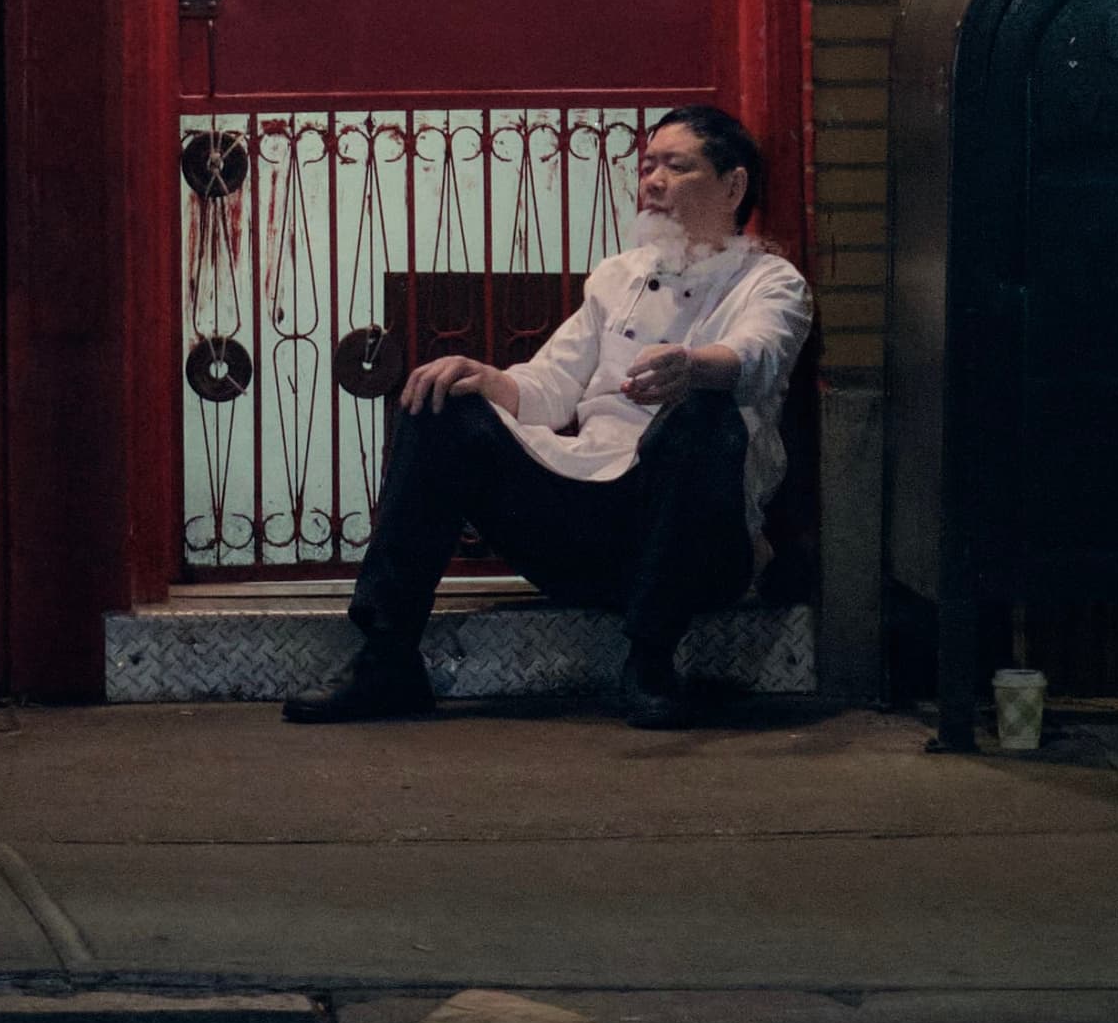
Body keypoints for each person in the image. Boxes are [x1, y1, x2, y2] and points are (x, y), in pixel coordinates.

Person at [283, 106, 813, 732]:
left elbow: (759, 353)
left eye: (677, 165)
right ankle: (388, 657)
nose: (653, 180)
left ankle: (651, 663)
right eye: (647, 166)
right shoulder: (618, 279)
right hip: (586, 532)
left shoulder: (771, 282)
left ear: (733, 186)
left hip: (695, 550)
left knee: (703, 413)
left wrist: (695, 365)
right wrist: (486, 378)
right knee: (442, 403)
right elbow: (551, 386)